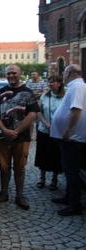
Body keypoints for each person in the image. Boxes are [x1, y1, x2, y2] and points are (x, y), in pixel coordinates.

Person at [0, 64, 39, 210]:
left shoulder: (27, 93)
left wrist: (15, 131)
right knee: (3, 167)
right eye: (8, 73)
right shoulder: (0, 92)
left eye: (14, 73)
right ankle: (3, 193)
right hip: (2, 137)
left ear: (20, 74)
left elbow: (32, 115)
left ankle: (19, 195)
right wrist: (4, 130)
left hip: (21, 137)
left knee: (20, 167)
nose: (11, 76)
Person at [50, 64, 86, 216]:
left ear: (68, 73)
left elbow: (76, 110)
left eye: (64, 73)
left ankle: (74, 204)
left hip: (72, 138)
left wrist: (68, 130)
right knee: (68, 169)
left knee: (71, 171)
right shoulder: (76, 86)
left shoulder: (77, 87)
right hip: (71, 137)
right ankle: (68, 197)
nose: (63, 75)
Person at [34, 75, 65, 191]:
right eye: (49, 82)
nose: (50, 84)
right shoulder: (44, 96)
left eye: (53, 82)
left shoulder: (65, 97)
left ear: (59, 83)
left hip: (59, 131)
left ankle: (54, 179)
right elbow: (39, 112)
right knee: (43, 154)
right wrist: (46, 123)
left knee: (56, 155)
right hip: (44, 130)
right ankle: (42, 178)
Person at [26, 71, 49, 139]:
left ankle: (38, 136)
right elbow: (27, 92)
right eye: (31, 74)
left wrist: (36, 94)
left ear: (38, 75)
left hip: (40, 103)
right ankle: (30, 136)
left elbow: (45, 92)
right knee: (30, 121)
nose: (32, 75)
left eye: (34, 74)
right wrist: (39, 93)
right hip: (31, 103)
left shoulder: (43, 83)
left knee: (39, 121)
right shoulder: (29, 83)